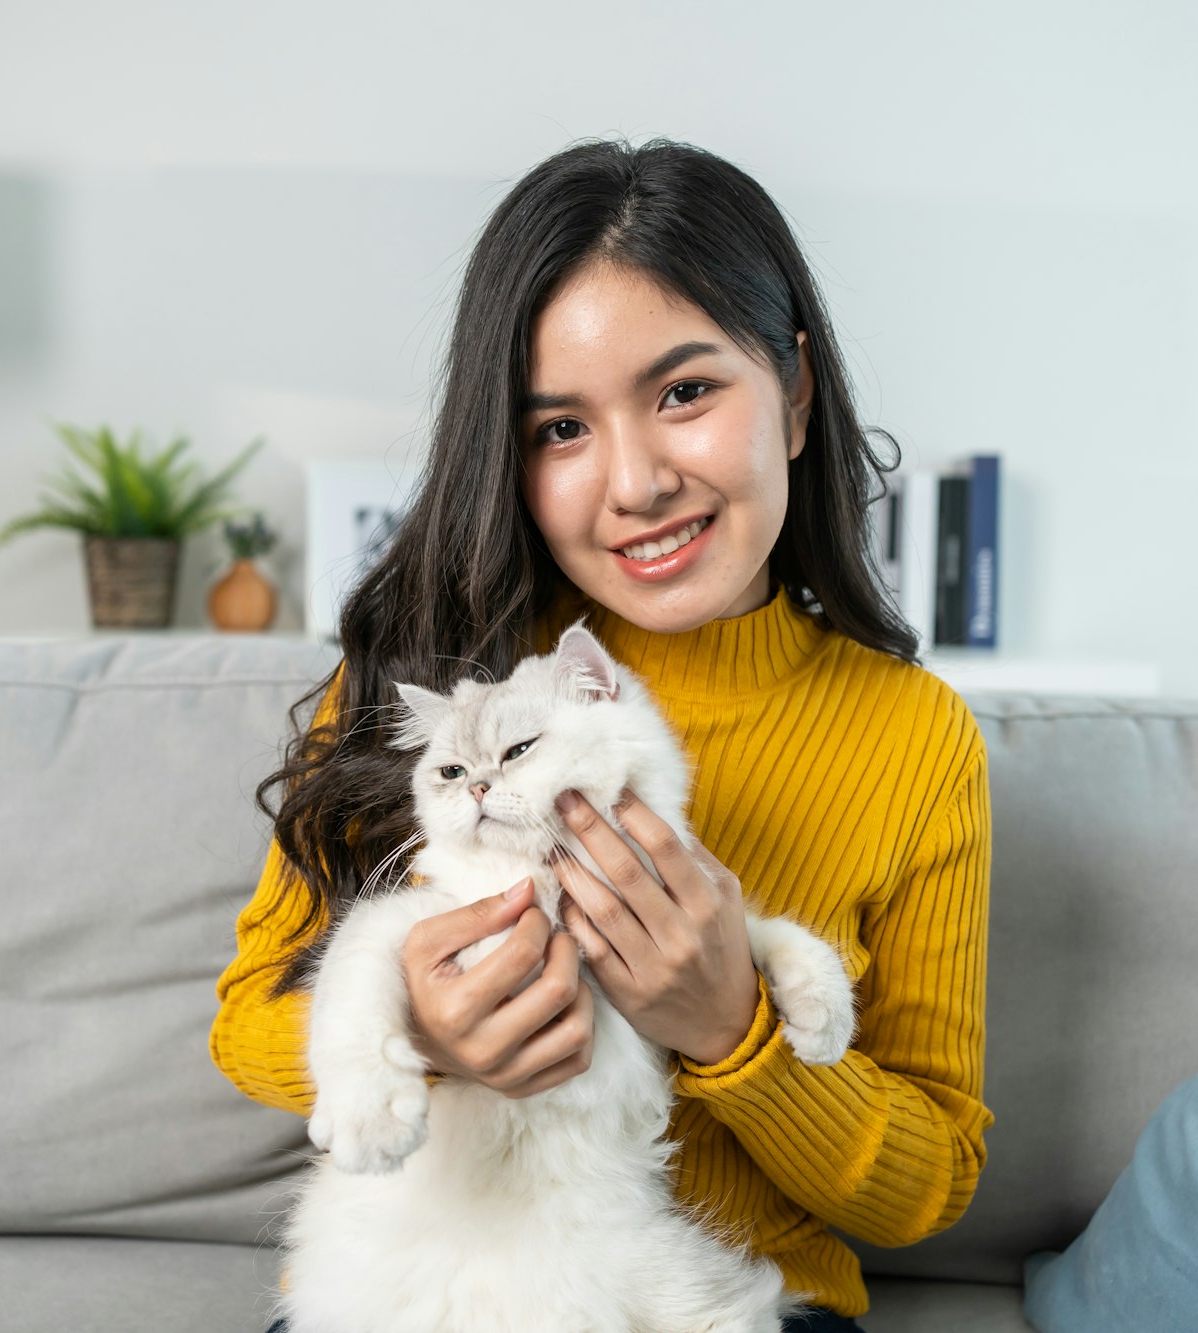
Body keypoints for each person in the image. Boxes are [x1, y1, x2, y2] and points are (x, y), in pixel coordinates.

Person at [212, 136, 994, 1333]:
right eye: (558, 430)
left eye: (683, 392)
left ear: (790, 393)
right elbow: (245, 1021)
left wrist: (734, 1031)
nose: (631, 483)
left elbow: (926, 1183)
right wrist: (422, 1031)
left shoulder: (912, 738)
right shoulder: (432, 679)